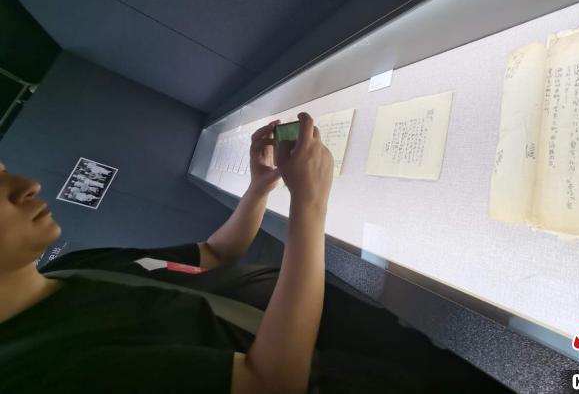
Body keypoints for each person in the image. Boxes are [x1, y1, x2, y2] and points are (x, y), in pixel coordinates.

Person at [0, 112, 500, 393]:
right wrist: (309, 204)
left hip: (353, 334)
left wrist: (261, 186)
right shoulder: (41, 369)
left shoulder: (79, 266)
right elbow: (271, 383)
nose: (26, 184)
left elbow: (212, 254)